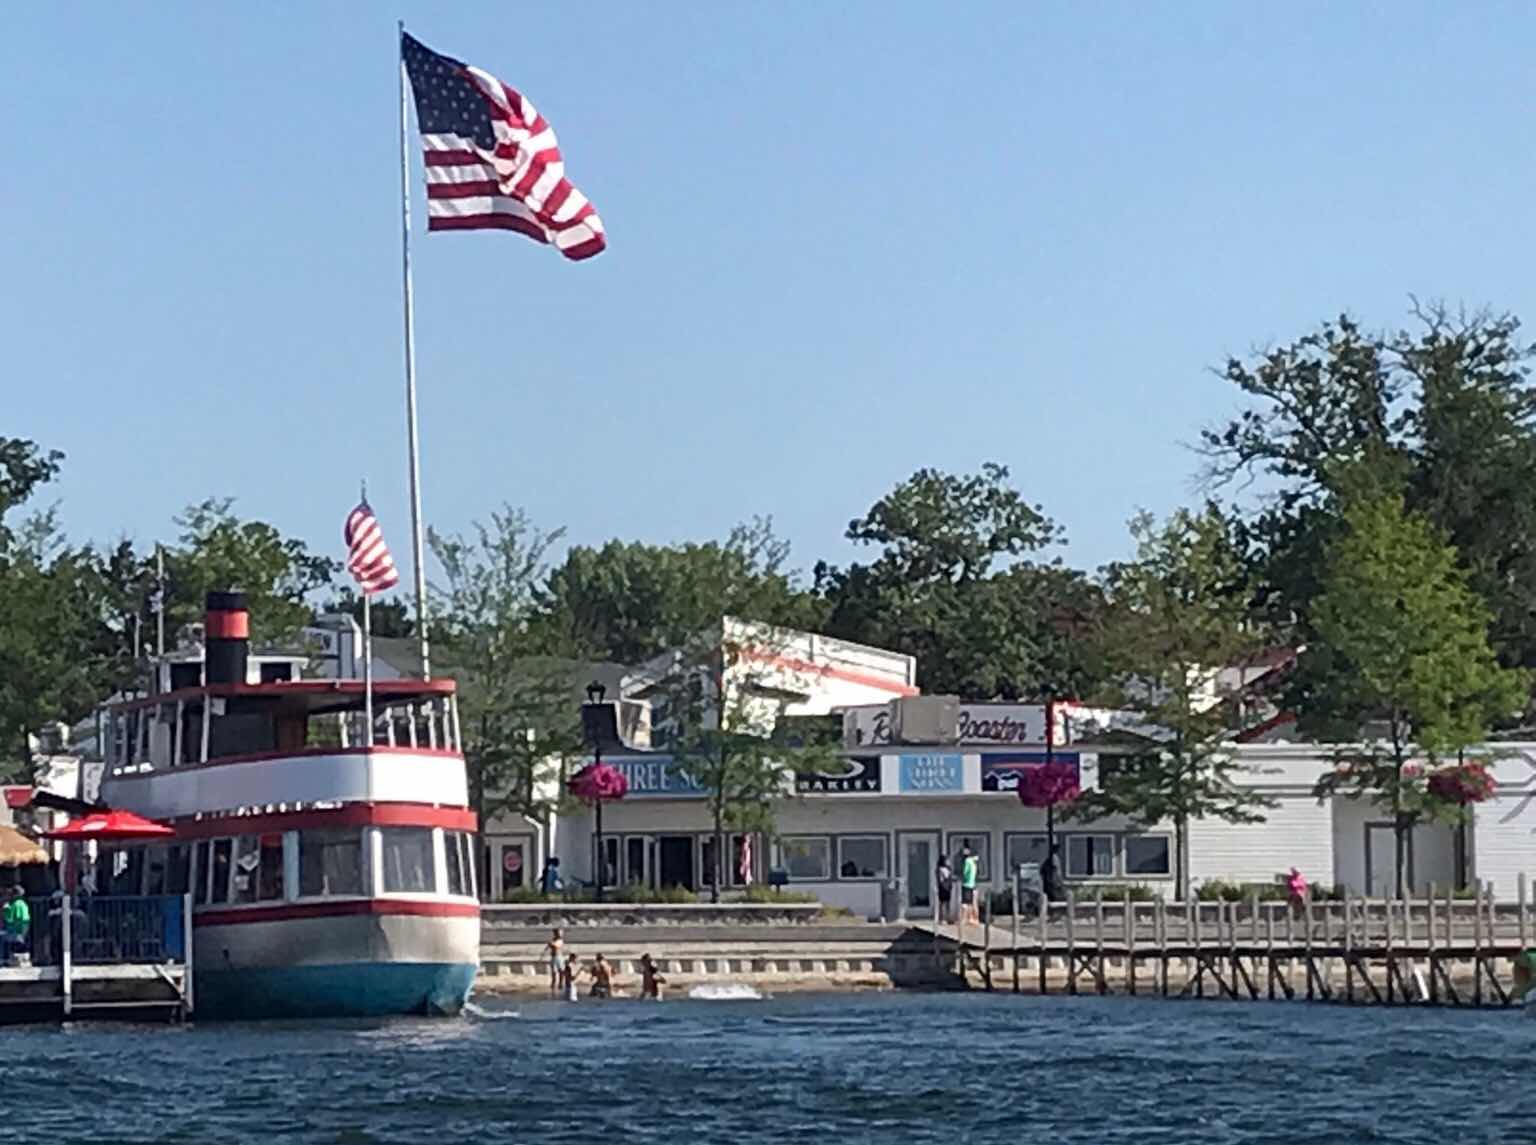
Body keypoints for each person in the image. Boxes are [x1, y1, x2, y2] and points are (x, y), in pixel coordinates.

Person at [2, 886, 30, 964]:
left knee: (2, 938)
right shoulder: (24, 904)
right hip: (23, 931)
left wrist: (6, 909)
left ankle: (4, 959)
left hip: (16, 932)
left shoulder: (15, 905)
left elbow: (10, 919)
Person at [959, 845, 980, 925]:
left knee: (965, 903)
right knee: (973, 903)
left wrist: (962, 876)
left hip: (967, 884)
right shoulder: (975, 863)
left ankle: (965, 919)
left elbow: (965, 872)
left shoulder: (968, 861)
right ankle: (974, 919)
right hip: (973, 884)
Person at [934, 855, 955, 924]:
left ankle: (946, 918)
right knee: (944, 903)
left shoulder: (943, 869)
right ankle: (943, 918)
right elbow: (944, 878)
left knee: (946, 903)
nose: (948, 862)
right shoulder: (942, 869)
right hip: (944, 887)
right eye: (947, 860)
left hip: (946, 887)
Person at [544, 927, 565, 995]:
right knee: (554, 972)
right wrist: (549, 946)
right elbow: (549, 946)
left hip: (559, 957)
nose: (559, 934)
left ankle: (560, 984)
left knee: (561, 971)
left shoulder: (560, 940)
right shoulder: (553, 939)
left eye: (560, 933)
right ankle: (553, 984)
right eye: (557, 933)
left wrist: (551, 944)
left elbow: (556, 946)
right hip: (553, 957)